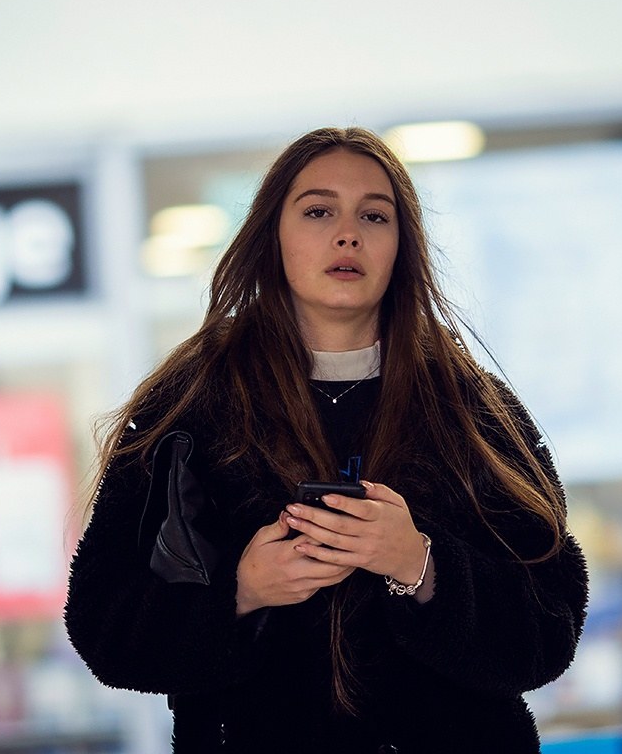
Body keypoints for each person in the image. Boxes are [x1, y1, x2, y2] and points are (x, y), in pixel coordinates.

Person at [64, 127, 588, 753]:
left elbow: (551, 626)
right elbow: (103, 627)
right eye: (318, 211)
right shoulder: (191, 404)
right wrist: (242, 592)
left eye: (375, 215)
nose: (348, 235)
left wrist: (420, 564)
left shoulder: (472, 408)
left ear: (402, 246)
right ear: (272, 236)